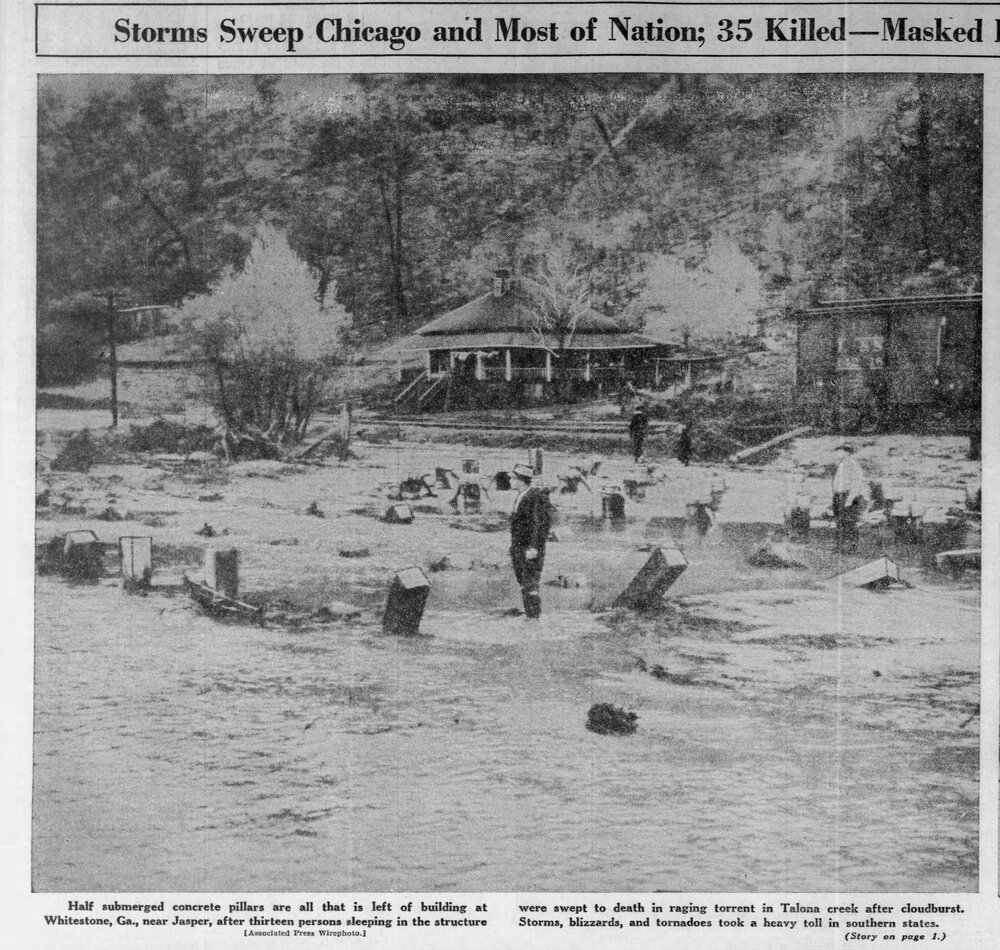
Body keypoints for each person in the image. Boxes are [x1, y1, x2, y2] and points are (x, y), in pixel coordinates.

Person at [509, 464, 552, 619]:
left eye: (513, 478)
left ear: (522, 480)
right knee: (524, 583)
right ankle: (530, 615)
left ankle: (534, 617)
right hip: (518, 548)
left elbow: (538, 524)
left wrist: (534, 547)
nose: (510, 481)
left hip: (529, 549)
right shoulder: (521, 496)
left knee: (530, 584)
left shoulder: (535, 496)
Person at [831, 442, 865, 549]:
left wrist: (850, 499)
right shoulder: (839, 464)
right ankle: (840, 546)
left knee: (850, 522)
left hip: (848, 496)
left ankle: (853, 546)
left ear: (847, 452)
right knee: (839, 521)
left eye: (840, 451)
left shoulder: (853, 464)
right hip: (838, 496)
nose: (837, 453)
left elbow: (857, 482)